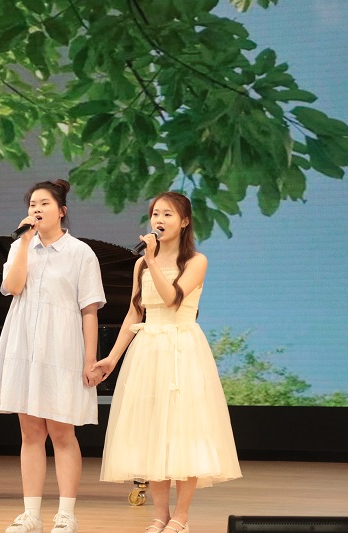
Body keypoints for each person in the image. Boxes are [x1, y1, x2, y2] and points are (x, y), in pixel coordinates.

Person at [91, 192, 241, 533]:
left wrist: (153, 261)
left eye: (168, 214)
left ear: (184, 221)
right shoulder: (141, 264)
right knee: (151, 433)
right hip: (148, 351)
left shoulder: (196, 262)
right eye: (155, 213)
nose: (159, 220)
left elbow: (173, 299)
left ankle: (181, 517)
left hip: (182, 349)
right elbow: (135, 312)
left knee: (184, 433)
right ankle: (160, 515)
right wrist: (113, 357)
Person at [0, 179, 106, 533]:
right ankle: (32, 515)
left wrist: (90, 359)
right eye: (32, 205)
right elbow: (14, 287)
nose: (36, 210)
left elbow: (89, 311)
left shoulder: (81, 253)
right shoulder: (19, 246)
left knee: (62, 432)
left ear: (61, 211)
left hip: (62, 348)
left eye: (44, 204)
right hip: (24, 346)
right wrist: (24, 242)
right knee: (30, 433)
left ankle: (66, 514)